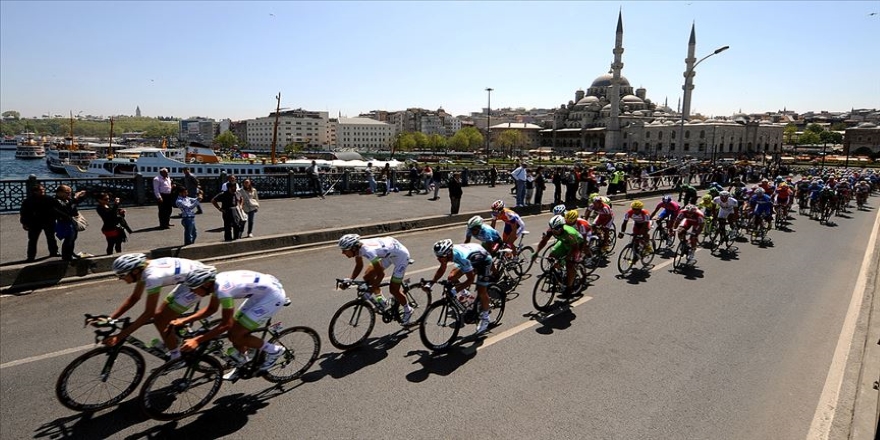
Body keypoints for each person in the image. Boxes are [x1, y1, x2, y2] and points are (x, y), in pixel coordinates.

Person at [174, 267, 288, 379]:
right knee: (234, 334)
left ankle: (275, 351)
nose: (192, 291)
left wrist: (197, 340)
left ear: (206, 284)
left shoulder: (223, 289)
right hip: (261, 293)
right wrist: (184, 320)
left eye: (194, 288)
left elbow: (226, 324)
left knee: (236, 334)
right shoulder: (214, 284)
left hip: (272, 296)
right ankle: (244, 363)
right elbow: (211, 309)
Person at [102, 254, 208, 360]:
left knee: (160, 320)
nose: (120, 278)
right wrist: (110, 318)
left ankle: (176, 357)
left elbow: (148, 313)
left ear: (134, 271)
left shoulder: (153, 277)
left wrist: (120, 336)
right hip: (189, 277)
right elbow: (135, 297)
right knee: (163, 314)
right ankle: (173, 339)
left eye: (122, 275)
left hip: (201, 282)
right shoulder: (143, 270)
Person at [337, 234, 414, 325]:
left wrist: (371, 289)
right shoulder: (358, 248)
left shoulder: (368, 251)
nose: (342, 253)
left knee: (393, 290)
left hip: (400, 256)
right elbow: (359, 266)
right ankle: (381, 300)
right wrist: (350, 280)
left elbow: (381, 274)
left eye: (344, 250)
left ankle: (408, 310)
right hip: (387, 252)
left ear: (353, 248)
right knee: (367, 276)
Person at [425, 239, 493, 334]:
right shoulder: (448, 254)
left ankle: (485, 318)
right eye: (437, 256)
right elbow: (442, 268)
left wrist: (455, 291)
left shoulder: (461, 257)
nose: (438, 259)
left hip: (483, 261)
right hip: (471, 257)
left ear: (448, 254)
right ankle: (467, 295)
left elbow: (470, 279)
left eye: (440, 257)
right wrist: (431, 283)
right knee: (451, 277)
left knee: (481, 291)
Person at [532, 215, 583, 298]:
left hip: (576, 245)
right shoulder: (551, 230)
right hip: (564, 242)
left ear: (562, 227)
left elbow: (575, 249)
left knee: (569, 264)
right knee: (551, 256)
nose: (554, 231)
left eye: (556, 229)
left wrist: (564, 259)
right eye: (552, 229)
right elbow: (543, 241)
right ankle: (560, 274)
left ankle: (569, 287)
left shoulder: (570, 233)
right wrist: (536, 252)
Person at [19, 184, 59, 261]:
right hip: (34, 223)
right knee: (33, 240)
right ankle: (31, 256)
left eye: (43, 190)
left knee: (51, 238)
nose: (42, 191)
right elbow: (24, 212)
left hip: (48, 221)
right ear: (35, 192)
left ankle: (54, 252)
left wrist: (55, 218)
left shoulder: (49, 199)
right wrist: (24, 223)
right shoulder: (28, 201)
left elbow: (57, 208)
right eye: (40, 190)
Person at [53, 185, 87, 261]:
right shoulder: (56, 201)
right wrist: (75, 198)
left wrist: (81, 196)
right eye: (67, 193)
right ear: (59, 193)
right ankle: (66, 256)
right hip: (64, 222)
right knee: (68, 239)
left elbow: (76, 203)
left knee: (73, 238)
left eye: (70, 193)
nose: (69, 195)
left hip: (72, 221)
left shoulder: (67, 199)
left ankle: (71, 253)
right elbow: (66, 209)